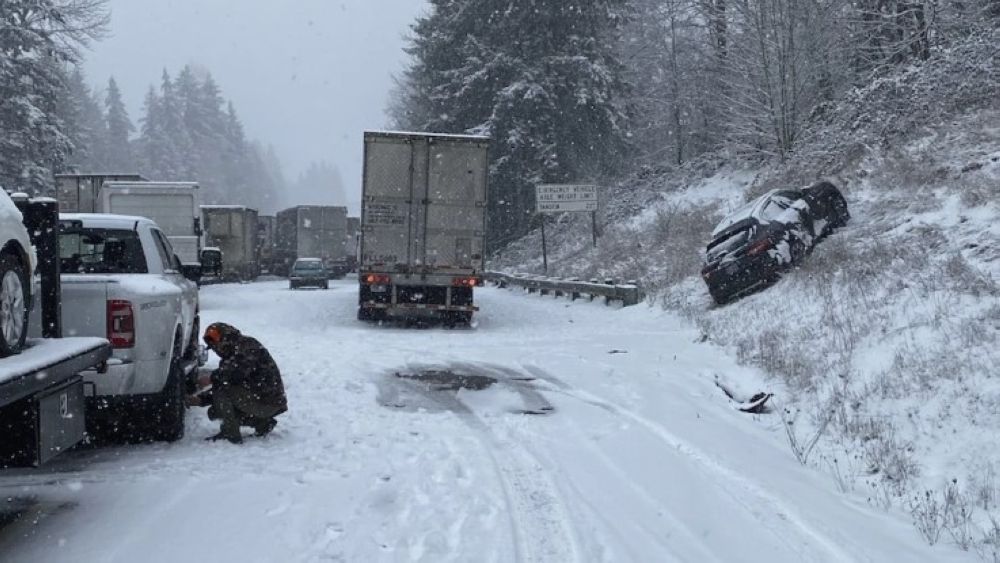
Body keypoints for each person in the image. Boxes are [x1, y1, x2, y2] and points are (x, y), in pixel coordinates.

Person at [188, 322, 288, 444]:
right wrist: (200, 400)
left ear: (225, 338)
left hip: (268, 401)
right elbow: (228, 379)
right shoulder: (232, 354)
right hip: (263, 399)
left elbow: (234, 376)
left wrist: (210, 378)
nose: (215, 349)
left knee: (222, 393)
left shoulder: (247, 347)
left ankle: (230, 434)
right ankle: (262, 423)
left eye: (215, 344)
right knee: (215, 411)